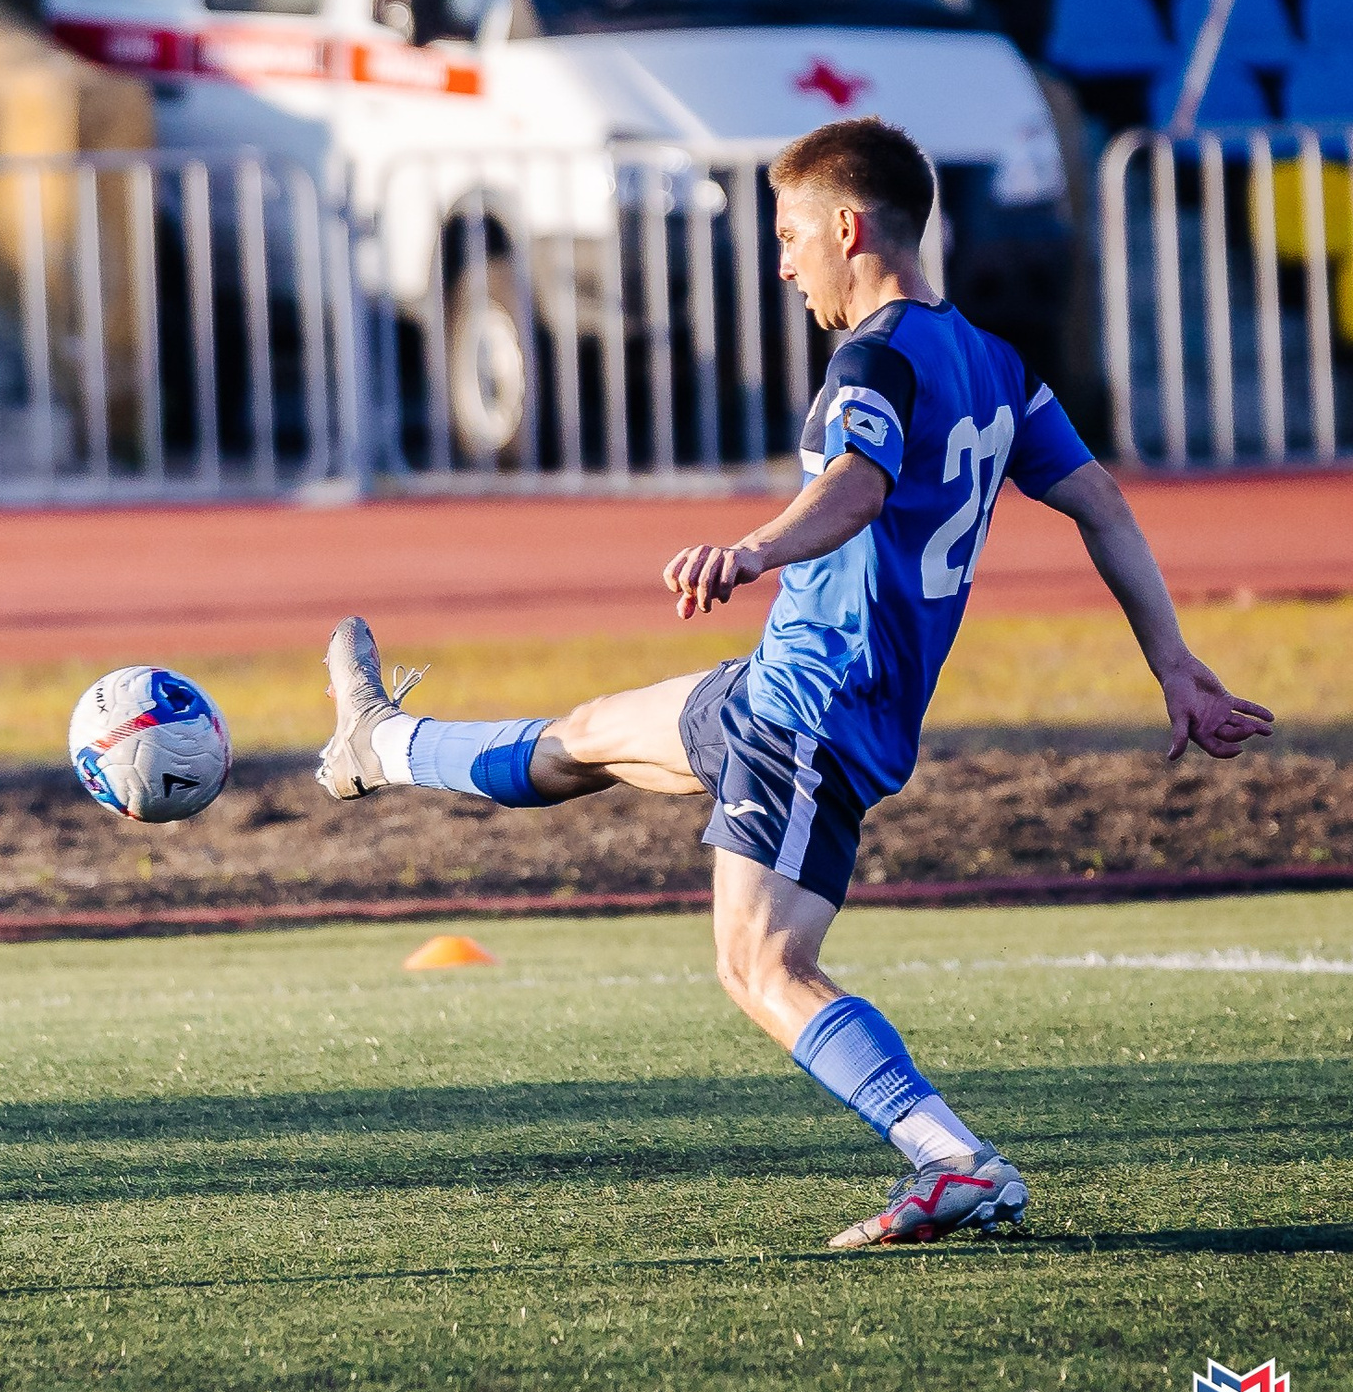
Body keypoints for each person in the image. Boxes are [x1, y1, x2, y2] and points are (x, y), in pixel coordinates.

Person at [316, 117, 1272, 1248]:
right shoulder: (996, 361)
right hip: (780, 687)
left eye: (788, 234)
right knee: (577, 743)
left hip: (816, 710)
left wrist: (756, 548)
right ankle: (376, 745)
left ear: (848, 227)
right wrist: (1174, 666)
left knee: (761, 963)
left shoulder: (874, 358)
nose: (781, 262)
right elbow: (1100, 500)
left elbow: (858, 488)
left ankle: (952, 1158)